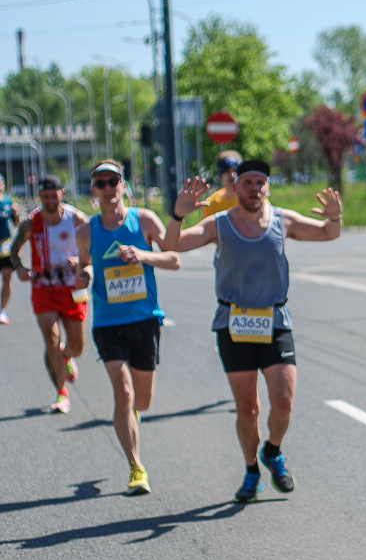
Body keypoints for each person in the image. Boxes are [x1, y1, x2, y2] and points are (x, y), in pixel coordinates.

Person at [163, 160, 342, 503]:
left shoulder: (283, 220)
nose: (255, 187)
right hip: (234, 324)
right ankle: (251, 470)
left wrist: (334, 216)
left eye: (261, 182)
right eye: (247, 182)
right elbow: (173, 246)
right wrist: (177, 215)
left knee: (284, 401)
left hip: (275, 321)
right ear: (236, 187)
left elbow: (327, 233)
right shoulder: (219, 225)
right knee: (248, 409)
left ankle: (272, 450)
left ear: (268, 188)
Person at [75, 160, 180, 496]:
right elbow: (87, 266)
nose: (108, 188)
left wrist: (142, 255)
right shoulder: (85, 232)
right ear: (94, 191)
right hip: (108, 322)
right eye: (100, 183)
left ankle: (134, 413)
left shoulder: (144, 220)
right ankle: (136, 467)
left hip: (145, 317)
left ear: (123, 184)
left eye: (113, 181)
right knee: (123, 393)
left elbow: (174, 259)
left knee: (142, 400)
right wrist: (84, 275)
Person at [10, 175, 89, 413]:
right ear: (40, 197)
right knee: (51, 341)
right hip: (43, 288)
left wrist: (83, 263)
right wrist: (20, 268)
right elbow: (15, 250)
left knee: (77, 347)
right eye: (45, 197)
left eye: (54, 196)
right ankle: (62, 393)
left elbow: (93, 247)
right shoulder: (32, 222)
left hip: (72, 289)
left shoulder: (76, 219)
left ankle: (66, 357)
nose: (50, 200)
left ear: (62, 194)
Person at [0, 174, 21, 325]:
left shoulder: (9, 202)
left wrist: (17, 214)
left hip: (5, 245)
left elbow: (18, 224)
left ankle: (3, 310)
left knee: (7, 276)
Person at [201, 150, 243, 219]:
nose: (232, 175)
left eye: (235, 171)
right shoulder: (212, 203)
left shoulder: (251, 198)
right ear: (220, 174)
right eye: (227, 171)